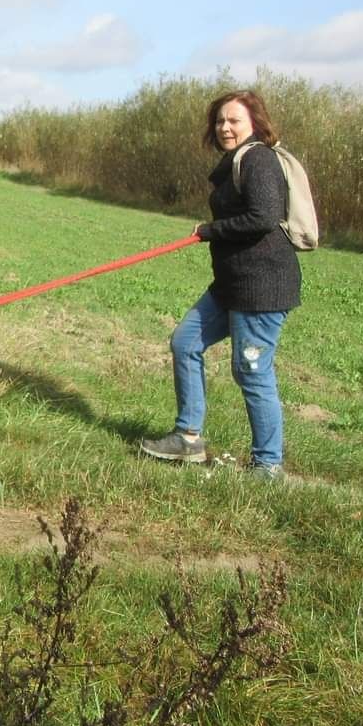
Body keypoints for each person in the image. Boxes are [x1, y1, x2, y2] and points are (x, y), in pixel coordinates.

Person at [139, 90, 301, 481]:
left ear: (254, 124)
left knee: (252, 371)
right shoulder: (236, 161)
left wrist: (211, 230)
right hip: (231, 285)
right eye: (220, 121)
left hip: (261, 287)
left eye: (234, 121)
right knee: (186, 342)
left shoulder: (259, 158)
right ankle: (188, 438)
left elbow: (264, 216)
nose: (225, 128)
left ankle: (268, 465)